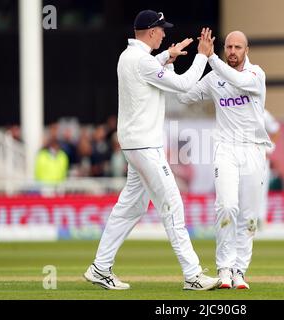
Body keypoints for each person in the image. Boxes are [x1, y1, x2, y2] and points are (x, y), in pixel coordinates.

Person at [83, 10, 220, 291]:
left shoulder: (128, 56)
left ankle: (100, 267)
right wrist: (203, 56)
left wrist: (166, 56)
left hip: (137, 145)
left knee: (130, 208)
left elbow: (146, 66)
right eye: (161, 30)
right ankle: (193, 275)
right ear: (151, 32)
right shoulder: (142, 61)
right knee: (172, 205)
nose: (164, 34)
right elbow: (182, 85)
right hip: (145, 147)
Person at [177, 30, 273, 289]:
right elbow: (184, 95)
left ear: (247, 50)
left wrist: (211, 59)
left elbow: (237, 82)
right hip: (225, 149)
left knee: (250, 216)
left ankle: (240, 270)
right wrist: (190, 61)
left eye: (238, 47)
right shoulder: (214, 77)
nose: (232, 51)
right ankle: (224, 269)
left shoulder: (256, 75)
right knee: (227, 207)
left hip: (253, 149)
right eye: (228, 46)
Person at [258, 110, 281, 228]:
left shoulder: (262, 112)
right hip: (242, 157)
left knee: (261, 190)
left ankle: (260, 220)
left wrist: (268, 149)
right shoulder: (235, 108)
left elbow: (276, 130)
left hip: (260, 158)